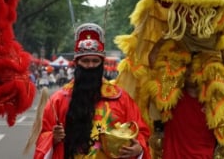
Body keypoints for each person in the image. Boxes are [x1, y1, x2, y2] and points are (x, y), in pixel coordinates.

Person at [34, 23, 150, 159]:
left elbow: (140, 132)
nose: (90, 66)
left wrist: (138, 149)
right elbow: (43, 136)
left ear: (102, 63)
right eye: (85, 61)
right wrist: (53, 138)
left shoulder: (121, 98)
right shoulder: (59, 100)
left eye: (95, 61)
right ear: (77, 63)